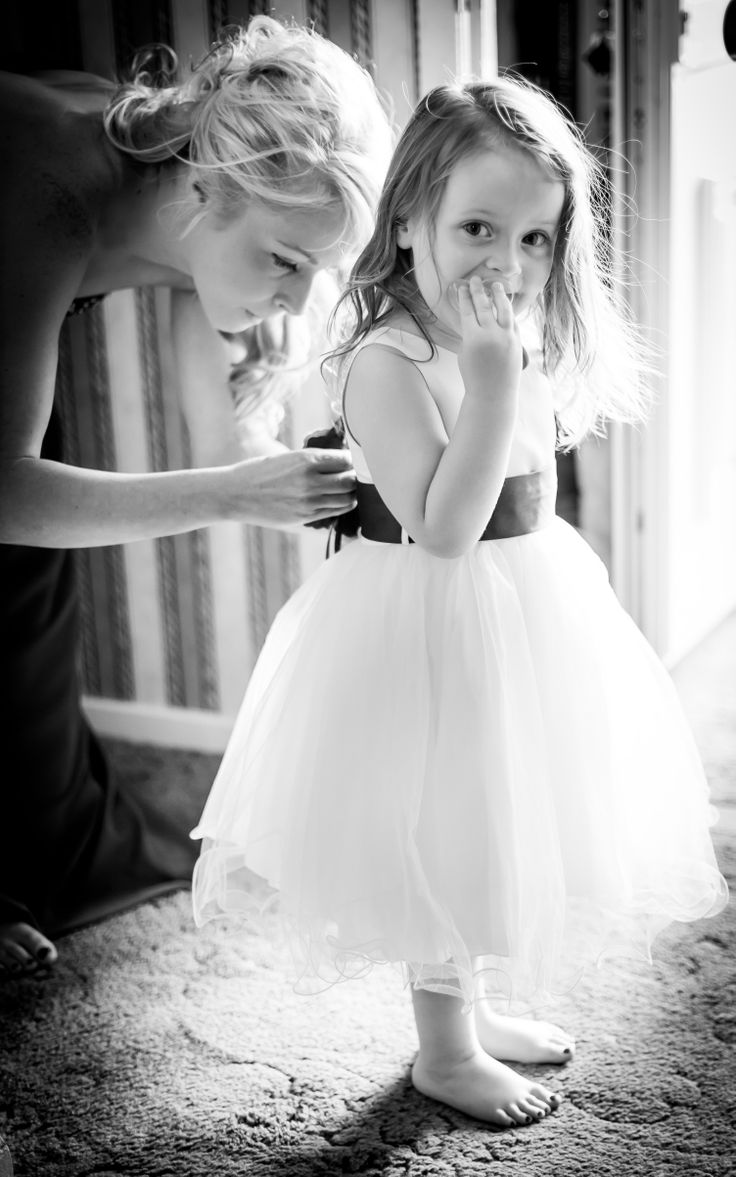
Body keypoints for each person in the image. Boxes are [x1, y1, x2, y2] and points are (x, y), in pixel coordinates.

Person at [190, 78, 728, 1128]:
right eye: (477, 227)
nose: (507, 263)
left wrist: (503, 374)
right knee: (438, 825)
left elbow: (525, 489)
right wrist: (487, 382)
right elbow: (441, 526)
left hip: (524, 607)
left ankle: (475, 1012)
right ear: (407, 222)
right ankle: (443, 1050)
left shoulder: (509, 339)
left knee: (501, 814)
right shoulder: (387, 361)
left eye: (535, 238)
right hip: (426, 621)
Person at [0, 15, 393, 976]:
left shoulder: (188, 198)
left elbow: (220, 435)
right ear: (206, 191)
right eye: (285, 262)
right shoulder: (48, 191)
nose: (300, 303)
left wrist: (268, 467)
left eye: (323, 270)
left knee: (28, 642)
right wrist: (231, 493)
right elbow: (6, 494)